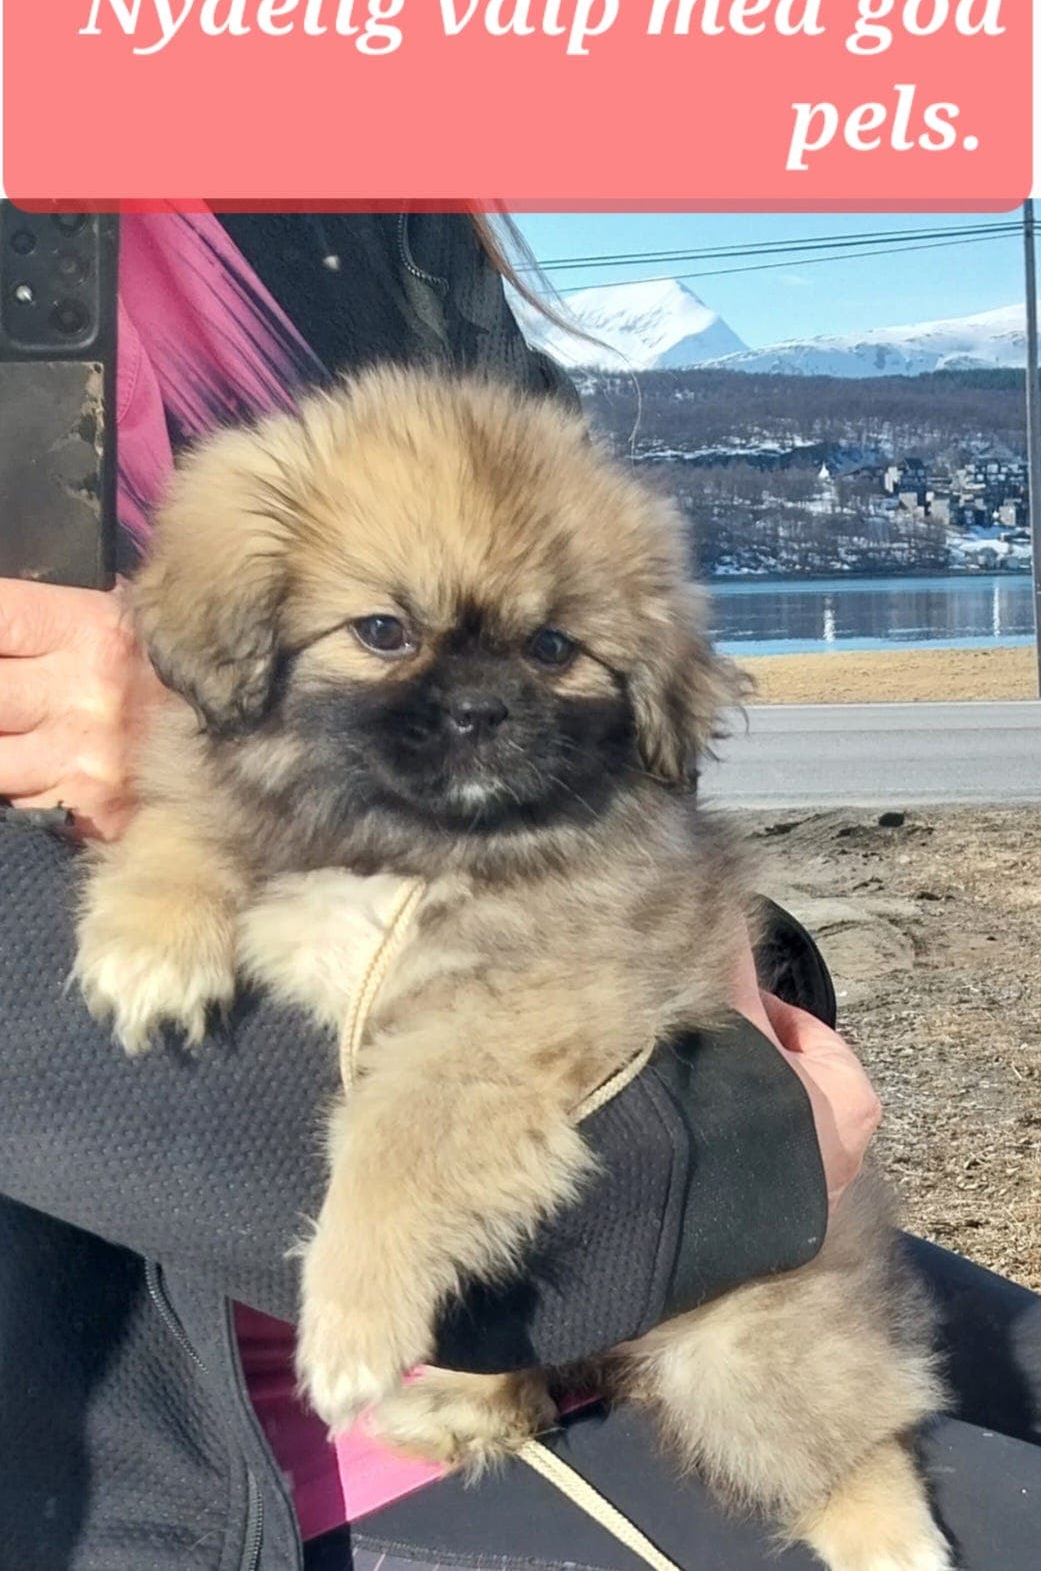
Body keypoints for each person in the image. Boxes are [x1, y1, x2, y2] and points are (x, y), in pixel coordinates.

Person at [0, 211, 1037, 1571]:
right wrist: (720, 1163)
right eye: (383, 635)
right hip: (226, 1422)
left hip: (653, 1177)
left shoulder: (359, 204)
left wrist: (735, 1051)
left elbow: (640, 787)